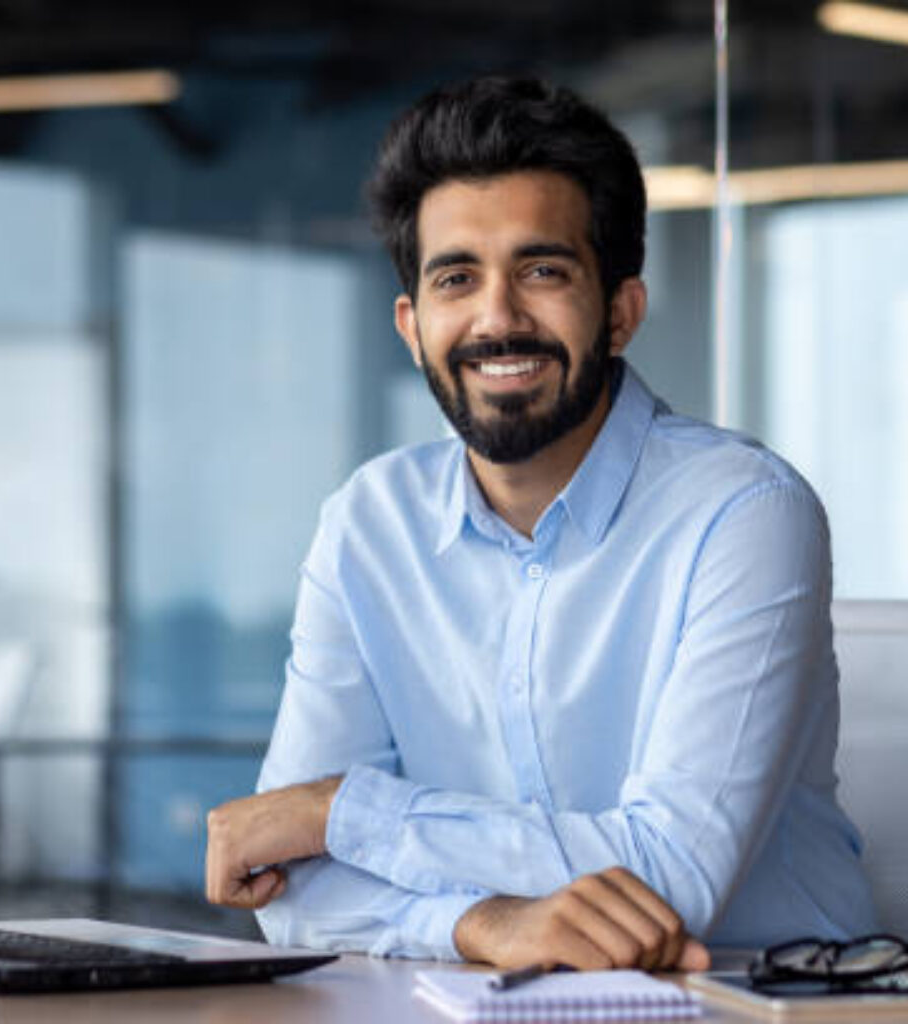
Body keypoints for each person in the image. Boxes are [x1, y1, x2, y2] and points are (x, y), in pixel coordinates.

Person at [205, 76, 876, 970]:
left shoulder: (744, 513)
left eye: (543, 270)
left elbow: (672, 876)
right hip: (486, 997)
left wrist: (341, 813)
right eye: (456, 278)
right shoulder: (370, 524)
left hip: (765, 1003)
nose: (497, 317)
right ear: (413, 326)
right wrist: (485, 926)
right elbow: (289, 889)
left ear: (621, 313)